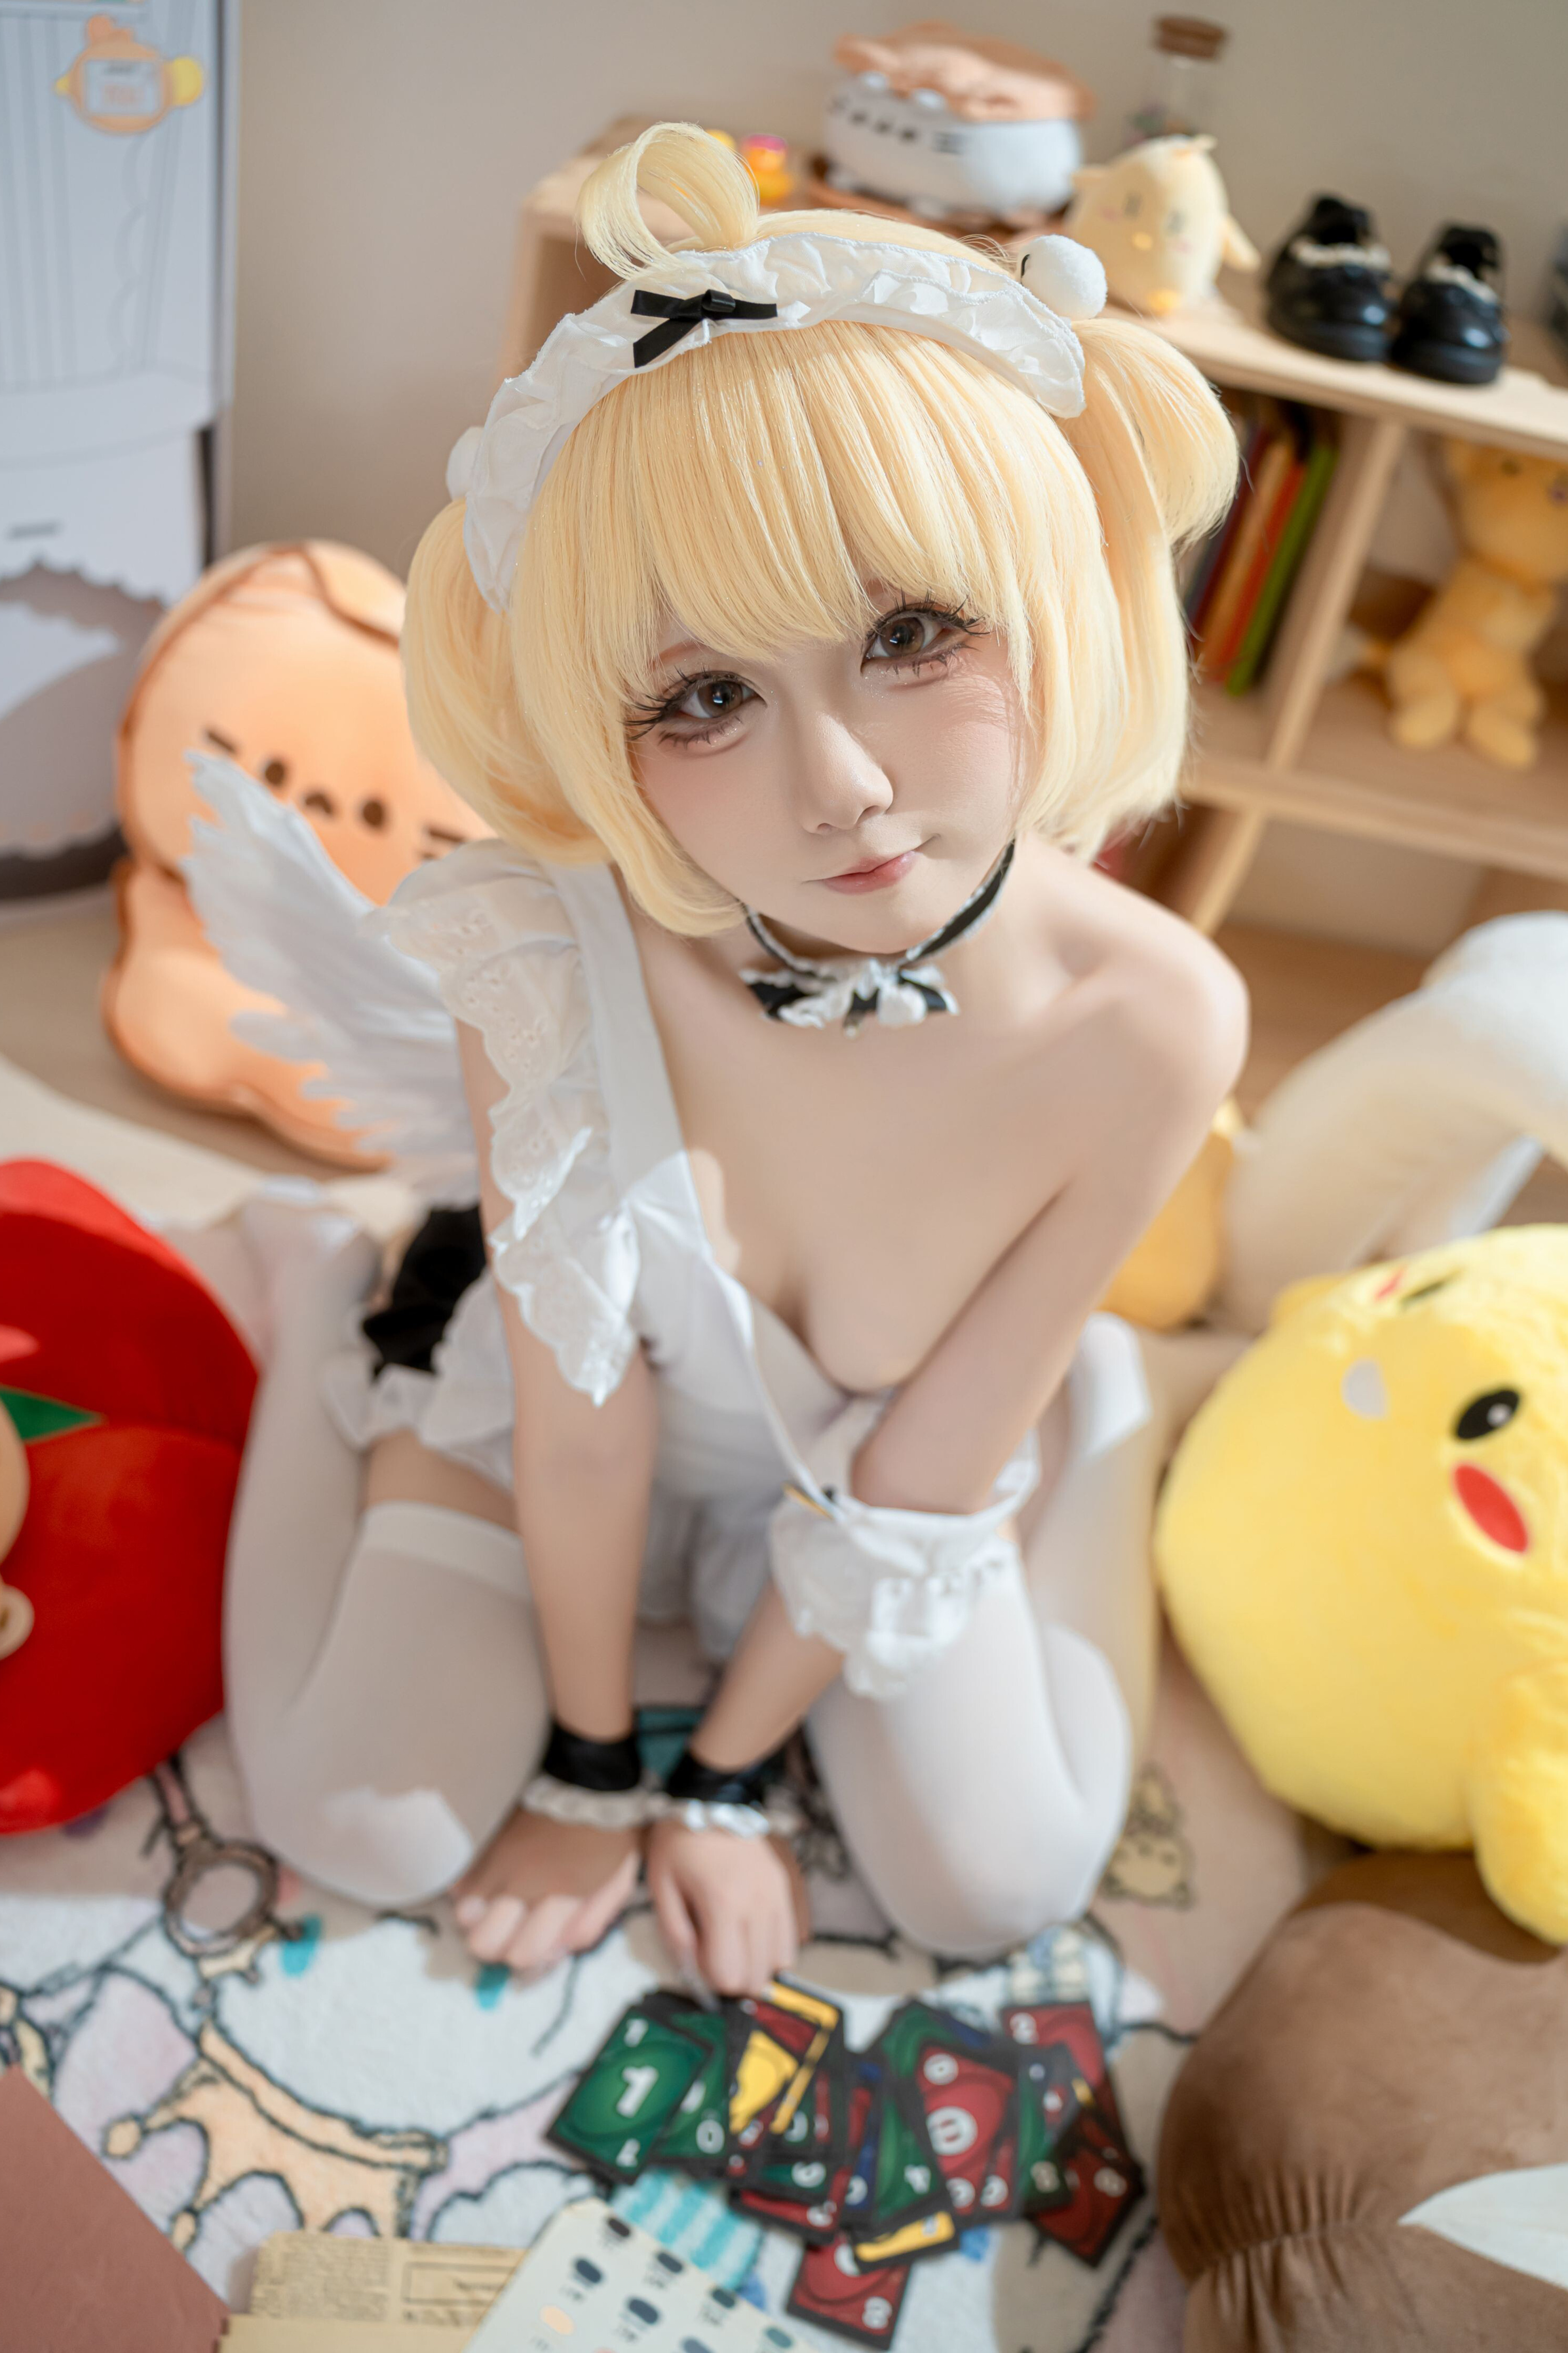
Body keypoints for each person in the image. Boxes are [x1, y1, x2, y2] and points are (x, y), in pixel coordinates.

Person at [219, 122, 1246, 1998]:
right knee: (353, 1822)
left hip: (875, 1468)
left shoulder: (1153, 1019)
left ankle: (1100, 1402)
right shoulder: (547, 948)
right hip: (556, 1434)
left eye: (910, 633)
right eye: (706, 695)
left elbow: (917, 1470)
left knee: (993, 1882)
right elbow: (581, 1427)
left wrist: (730, 1772)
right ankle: (314, 1300)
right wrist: (602, 1765)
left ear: (1050, 588)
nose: (839, 786)